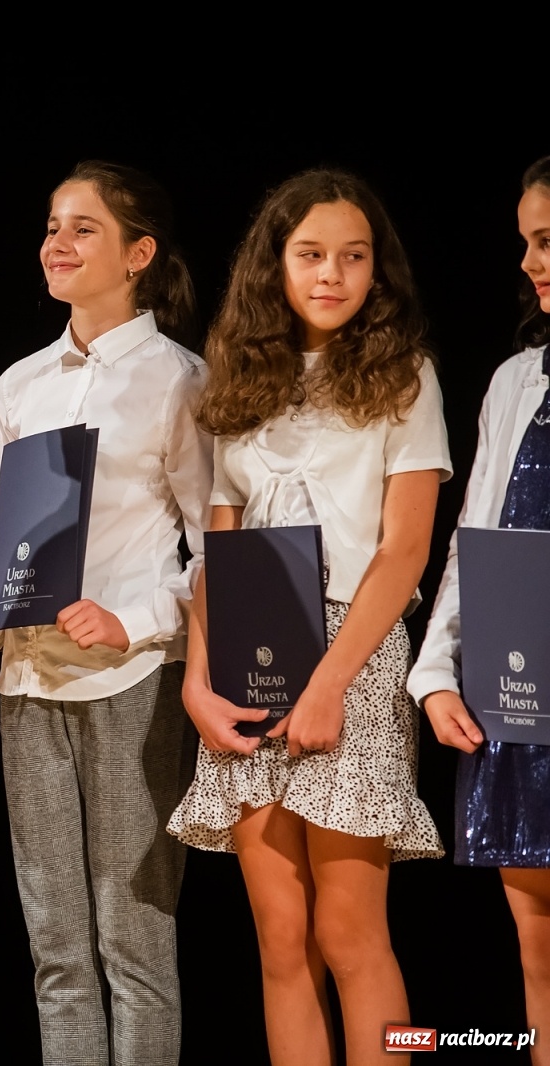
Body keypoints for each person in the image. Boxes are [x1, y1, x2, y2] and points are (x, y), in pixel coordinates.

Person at [166, 169, 449, 1066]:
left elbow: (404, 549)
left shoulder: (405, 377)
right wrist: (196, 678)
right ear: (275, 265)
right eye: (312, 255)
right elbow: (220, 543)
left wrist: (331, 684)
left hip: (352, 657)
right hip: (251, 655)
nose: (332, 274)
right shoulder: (240, 382)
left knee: (351, 936)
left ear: (377, 271)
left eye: (353, 258)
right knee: (281, 941)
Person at [0, 161, 209, 1066]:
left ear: (139, 254)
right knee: (55, 949)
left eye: (83, 228)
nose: (57, 243)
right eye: (53, 225)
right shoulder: (19, 385)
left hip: (131, 682)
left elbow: (216, 553)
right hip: (28, 683)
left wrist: (133, 619)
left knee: (134, 946)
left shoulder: (181, 380)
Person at [410, 156, 550, 1064]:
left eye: (549, 239)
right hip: (524, 691)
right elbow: (476, 539)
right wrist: (432, 674)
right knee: (538, 950)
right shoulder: (515, 381)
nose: (534, 260)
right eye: (528, 243)